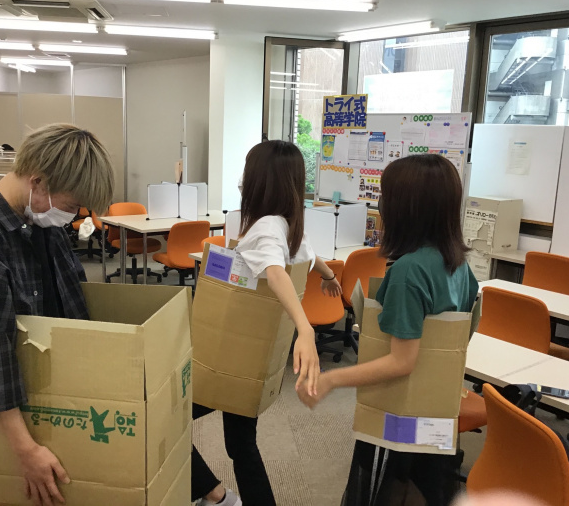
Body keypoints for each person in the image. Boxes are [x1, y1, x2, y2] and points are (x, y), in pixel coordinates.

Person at [0, 124, 115, 506]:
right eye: (72, 205)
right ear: (38, 182)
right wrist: (27, 451)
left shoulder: (39, 224)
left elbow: (72, 306)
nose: (73, 215)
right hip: (18, 416)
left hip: (60, 393)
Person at [297, 154, 479, 506]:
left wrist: (331, 380)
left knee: (394, 489)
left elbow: (402, 361)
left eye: (385, 196)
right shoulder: (459, 265)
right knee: (425, 489)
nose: (380, 204)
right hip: (438, 410)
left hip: (402, 410)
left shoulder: (409, 272)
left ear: (406, 208)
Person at [192, 140, 342, 506]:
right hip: (253, 356)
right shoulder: (288, 225)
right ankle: (220, 497)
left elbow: (275, 272)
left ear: (259, 181)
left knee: (162, 417)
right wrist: (327, 276)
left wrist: (305, 328)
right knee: (242, 444)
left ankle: (214, 494)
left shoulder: (265, 228)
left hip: (228, 354)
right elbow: (310, 256)